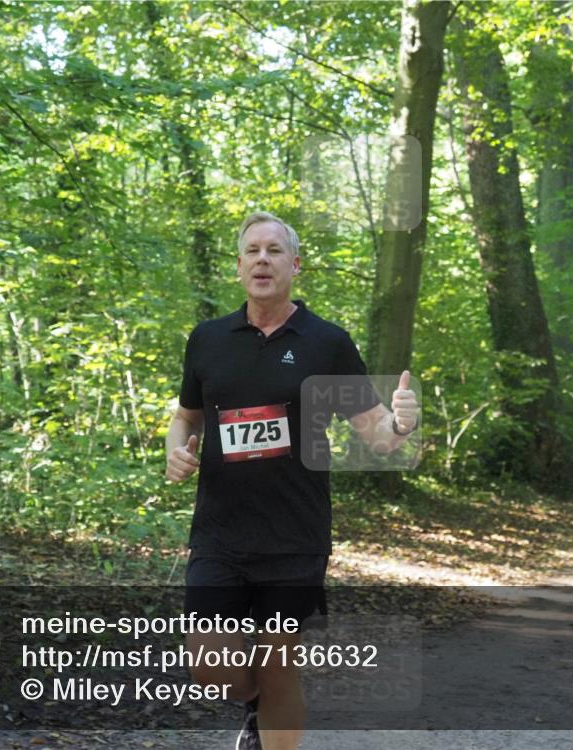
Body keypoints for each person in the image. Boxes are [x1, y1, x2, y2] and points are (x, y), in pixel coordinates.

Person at [166, 211, 419, 750]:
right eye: (252, 250)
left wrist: (403, 421)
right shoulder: (208, 340)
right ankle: (255, 708)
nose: (263, 258)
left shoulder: (326, 342)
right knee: (209, 664)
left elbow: (377, 434)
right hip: (219, 532)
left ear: (295, 265)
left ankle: (271, 728)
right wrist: (175, 451)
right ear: (238, 267)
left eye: (275, 250)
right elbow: (187, 415)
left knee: (279, 665)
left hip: (295, 535)